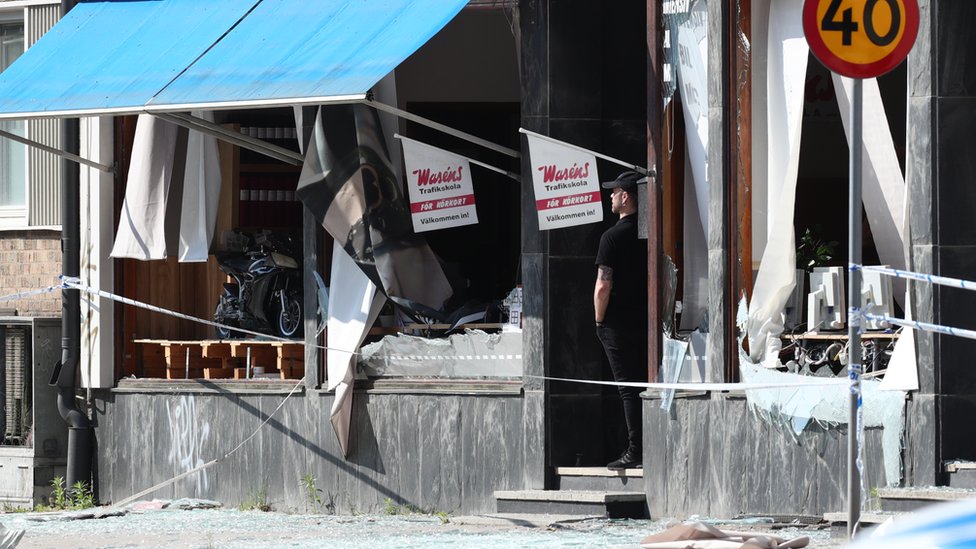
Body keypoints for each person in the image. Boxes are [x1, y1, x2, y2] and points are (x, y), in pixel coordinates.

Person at [594, 170, 648, 470]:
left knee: (627, 387)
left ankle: (635, 450)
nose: (610, 196)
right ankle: (643, 446)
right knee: (645, 383)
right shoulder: (650, 235)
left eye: (613, 192)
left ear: (625, 197)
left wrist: (599, 320)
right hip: (645, 321)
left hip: (616, 323)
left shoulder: (611, 237)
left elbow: (603, 285)